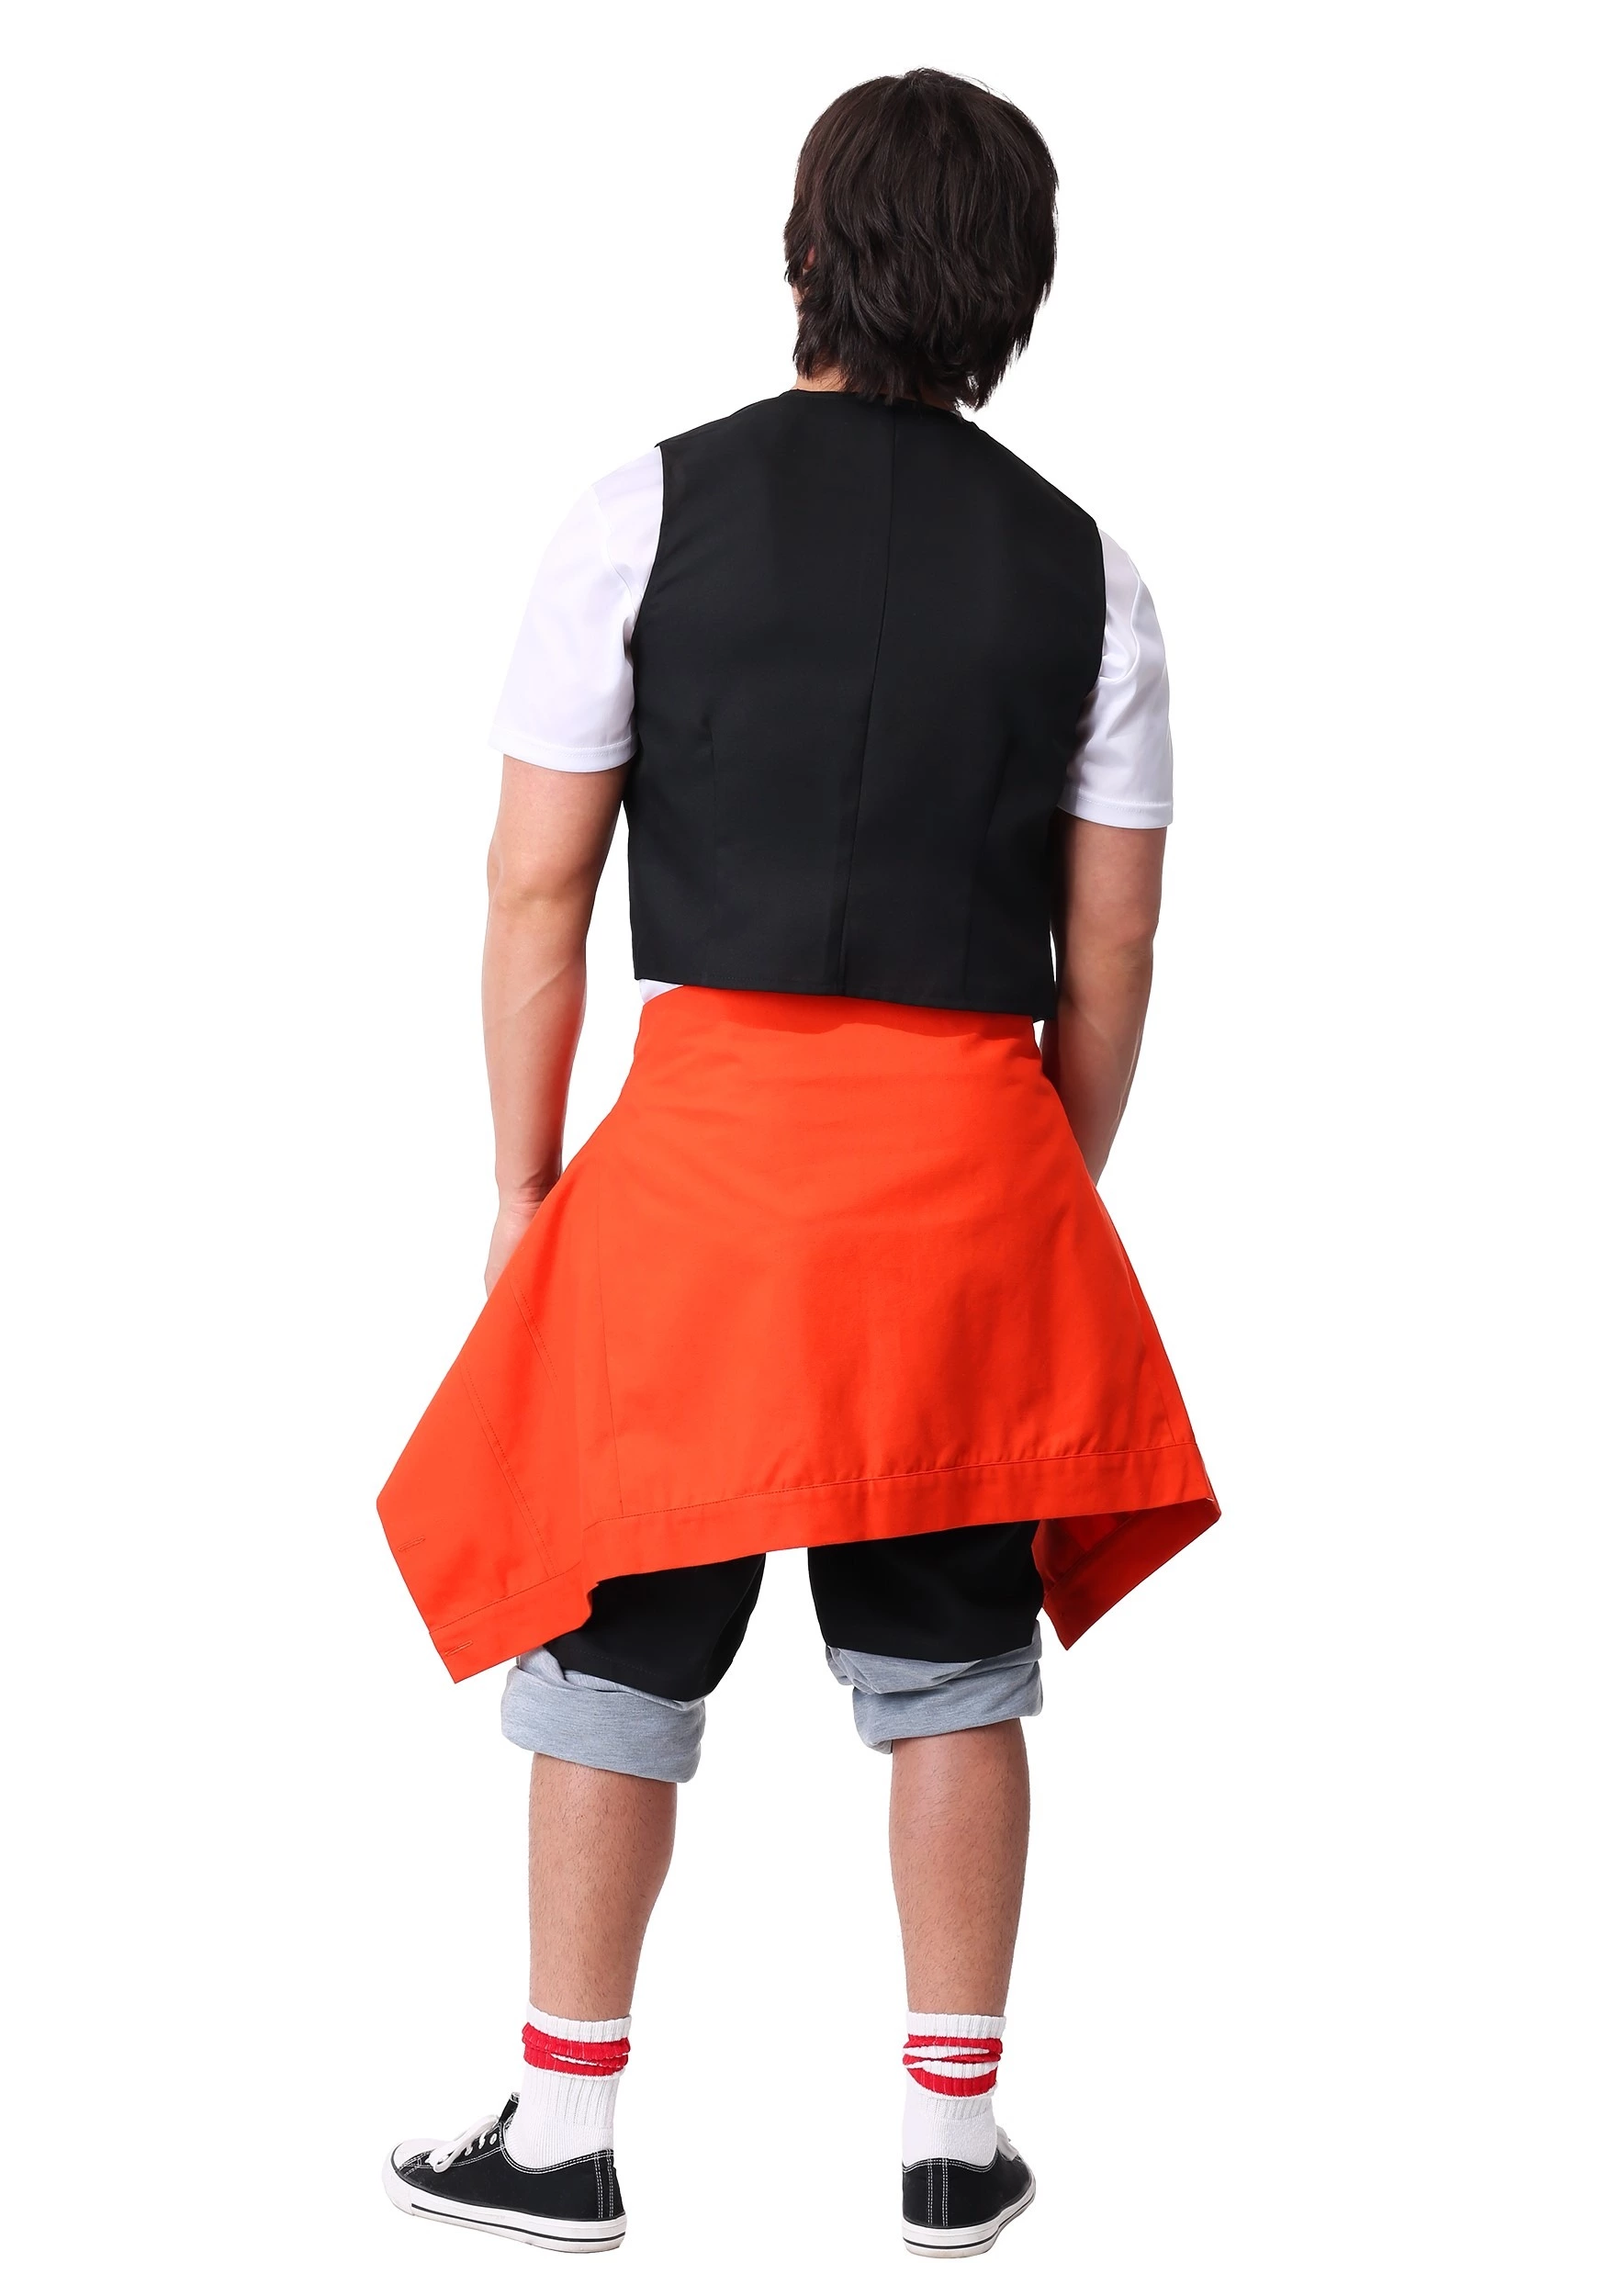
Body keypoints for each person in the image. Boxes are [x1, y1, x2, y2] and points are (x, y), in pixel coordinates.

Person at [377, 68, 1217, 2260]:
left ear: (805, 252)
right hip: (964, 1168)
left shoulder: (637, 513)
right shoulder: (1092, 576)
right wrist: (1033, 1184)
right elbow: (1113, 948)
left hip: (699, 1172)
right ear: (1013, 283)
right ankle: (952, 2138)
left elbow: (534, 887)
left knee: (607, 1639)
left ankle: (560, 2131)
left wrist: (520, 1184)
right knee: (949, 1663)